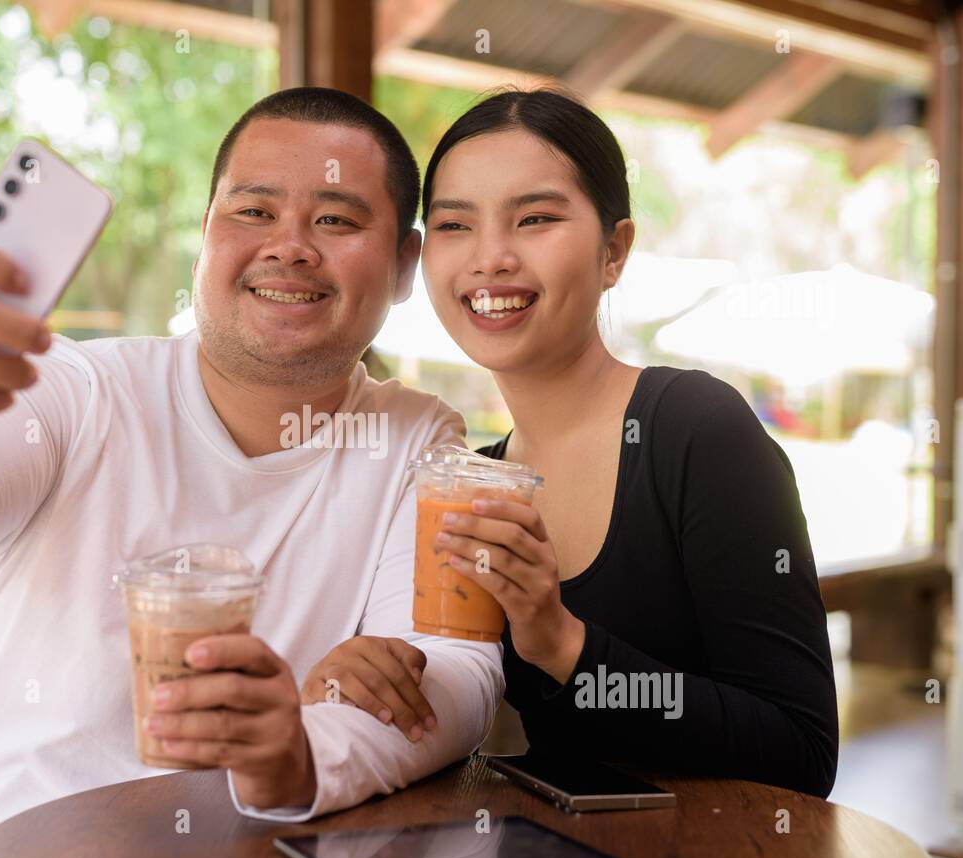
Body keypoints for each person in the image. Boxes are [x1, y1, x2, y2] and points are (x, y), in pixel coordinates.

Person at [0, 87, 503, 858]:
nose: (290, 247)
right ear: (205, 240)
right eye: (253, 212)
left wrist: (294, 751)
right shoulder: (74, 388)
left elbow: (454, 670)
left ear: (404, 264)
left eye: (336, 219)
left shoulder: (416, 437)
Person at [303, 88, 839, 798]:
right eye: (457, 225)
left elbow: (801, 751)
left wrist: (562, 643)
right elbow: (454, 715)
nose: (491, 258)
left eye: (536, 219)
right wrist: (350, 684)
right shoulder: (476, 479)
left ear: (613, 251)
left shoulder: (695, 430)